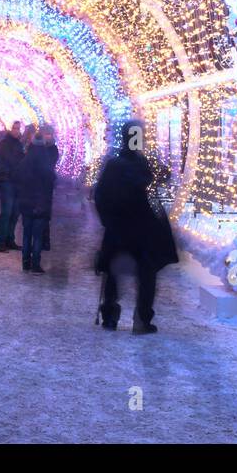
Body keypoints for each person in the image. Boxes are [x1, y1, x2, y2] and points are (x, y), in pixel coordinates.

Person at [92, 121, 178, 333]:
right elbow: (163, 180)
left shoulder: (114, 165)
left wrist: (107, 219)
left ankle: (109, 317)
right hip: (144, 229)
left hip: (118, 228)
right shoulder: (146, 164)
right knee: (146, 274)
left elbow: (100, 195)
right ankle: (142, 319)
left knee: (113, 272)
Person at [16, 124, 59, 273]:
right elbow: (52, 179)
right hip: (41, 204)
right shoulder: (46, 163)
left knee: (27, 234)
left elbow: (18, 179)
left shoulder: (24, 162)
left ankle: (25, 263)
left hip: (26, 203)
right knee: (38, 235)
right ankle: (35, 264)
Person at [0, 122, 25, 252]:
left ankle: (9, 239)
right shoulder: (4, 143)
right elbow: (10, 160)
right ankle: (0, 241)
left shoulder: (19, 144)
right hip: (6, 180)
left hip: (17, 181)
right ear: (10, 129)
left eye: (18, 129)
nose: (16, 131)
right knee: (6, 211)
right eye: (15, 128)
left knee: (15, 212)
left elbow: (19, 159)